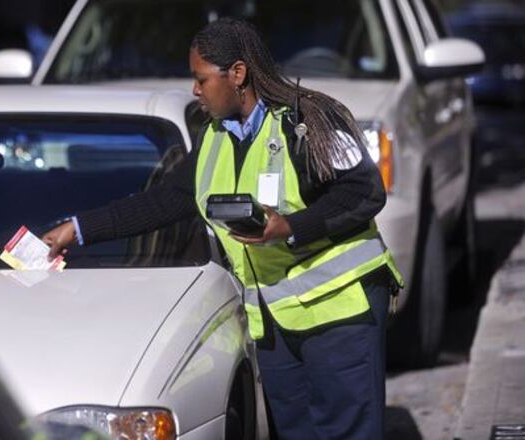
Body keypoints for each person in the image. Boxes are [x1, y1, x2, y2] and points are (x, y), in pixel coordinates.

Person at [42, 17, 403, 439]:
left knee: (349, 432)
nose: (195, 91)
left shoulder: (309, 120)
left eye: (201, 79)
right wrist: (78, 229)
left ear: (237, 74)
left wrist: (288, 226)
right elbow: (164, 200)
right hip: (276, 320)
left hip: (341, 311)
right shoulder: (213, 137)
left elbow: (364, 193)